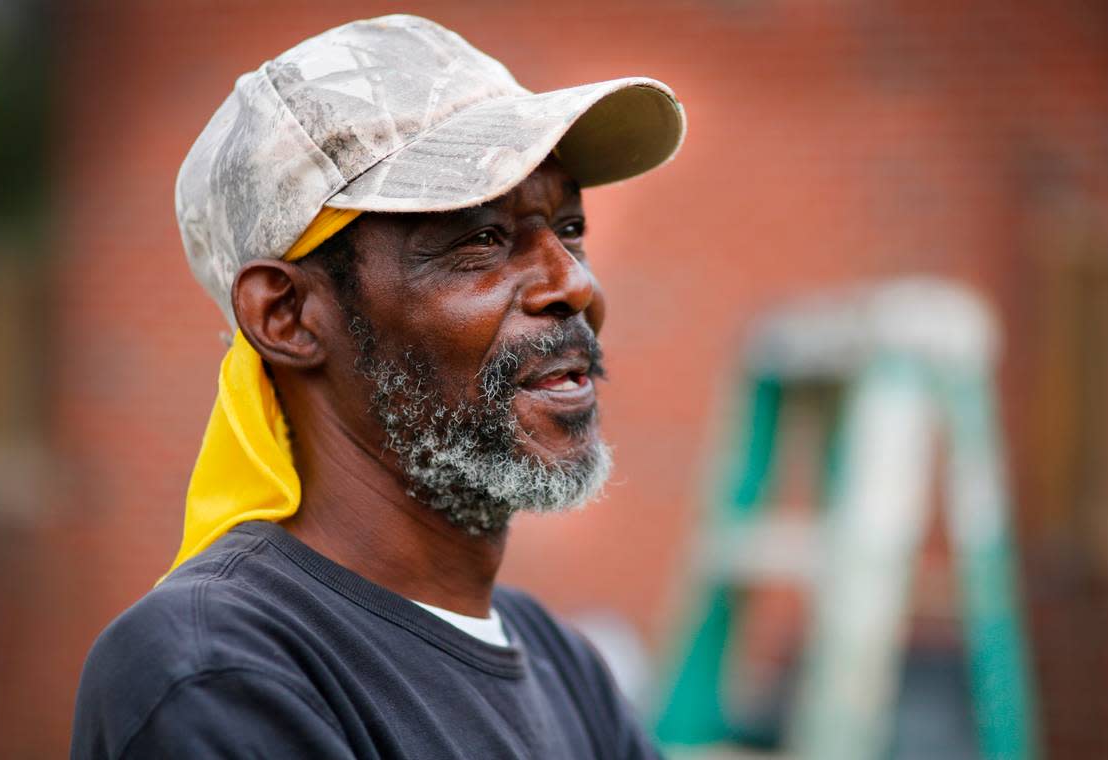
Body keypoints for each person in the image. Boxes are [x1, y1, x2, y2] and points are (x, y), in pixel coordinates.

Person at [71, 14, 685, 759]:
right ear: (288, 314)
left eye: (571, 227)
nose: (574, 283)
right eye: (482, 238)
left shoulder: (566, 667)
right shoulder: (217, 670)